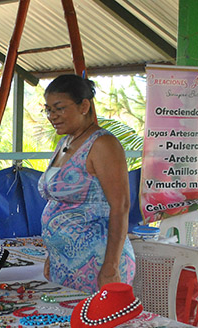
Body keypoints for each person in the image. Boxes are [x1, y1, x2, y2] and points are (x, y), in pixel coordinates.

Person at [38, 74, 135, 293]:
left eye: (59, 108)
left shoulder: (103, 144)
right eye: (48, 110)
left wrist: (111, 266)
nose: (52, 116)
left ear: (84, 106)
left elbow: (120, 206)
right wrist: (53, 254)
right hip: (65, 261)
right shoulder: (65, 142)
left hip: (96, 261)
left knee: (94, 316)